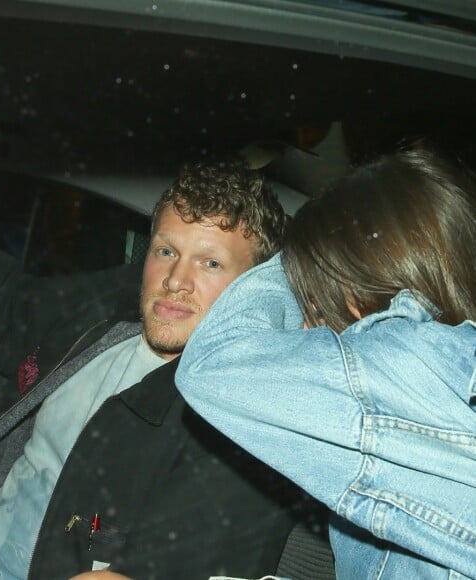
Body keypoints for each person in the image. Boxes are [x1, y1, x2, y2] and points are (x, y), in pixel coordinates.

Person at [0, 155, 330, 579]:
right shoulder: (108, 315)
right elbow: (3, 318)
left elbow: (199, 547)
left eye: (210, 262)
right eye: (166, 250)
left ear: (256, 288)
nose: (176, 280)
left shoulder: (242, 418)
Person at [176, 148, 476, 579]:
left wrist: (298, 240)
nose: (303, 332)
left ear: (355, 295)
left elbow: (213, 360)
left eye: (312, 307)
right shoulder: (440, 378)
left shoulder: (403, 367)